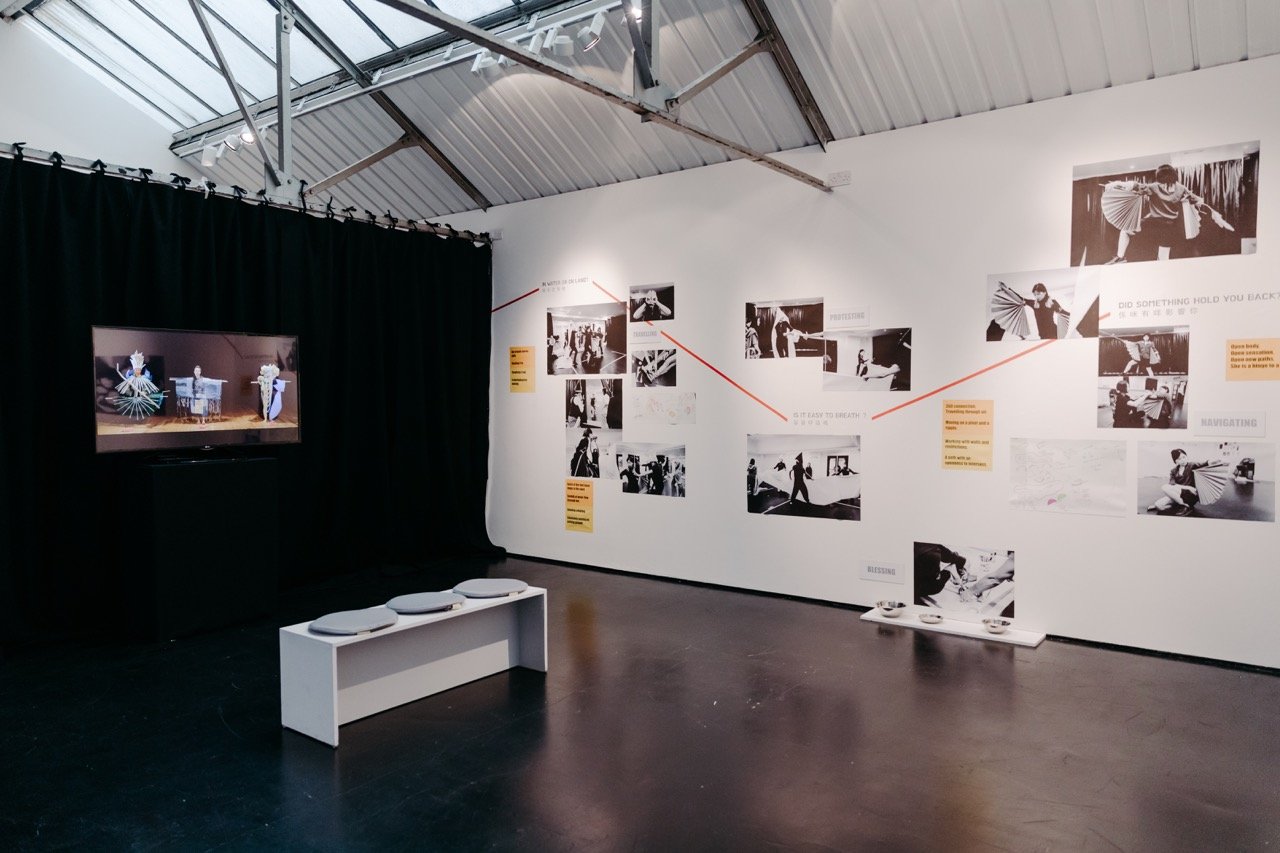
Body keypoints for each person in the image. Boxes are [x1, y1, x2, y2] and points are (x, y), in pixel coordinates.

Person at [1103, 164, 1232, 264]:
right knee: (1126, 231)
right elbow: (1199, 200)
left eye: (1166, 183)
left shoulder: (1161, 187)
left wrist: (1116, 184)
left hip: (1167, 227)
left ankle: (1121, 258)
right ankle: (1120, 258)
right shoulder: (1177, 188)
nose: (1165, 187)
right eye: (1162, 183)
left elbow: (1135, 185)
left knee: (1162, 257)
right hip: (1158, 224)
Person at [1147, 448, 1215, 515]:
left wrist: (1214, 461)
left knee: (1164, 487)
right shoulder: (1173, 471)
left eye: (1184, 457)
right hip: (1178, 494)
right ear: (1175, 461)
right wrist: (1188, 487)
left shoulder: (1192, 465)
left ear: (1186, 456)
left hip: (1189, 495)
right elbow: (1172, 484)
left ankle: (1185, 505)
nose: (1182, 460)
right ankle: (1179, 505)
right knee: (1158, 505)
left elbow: (1205, 463)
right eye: (1179, 459)